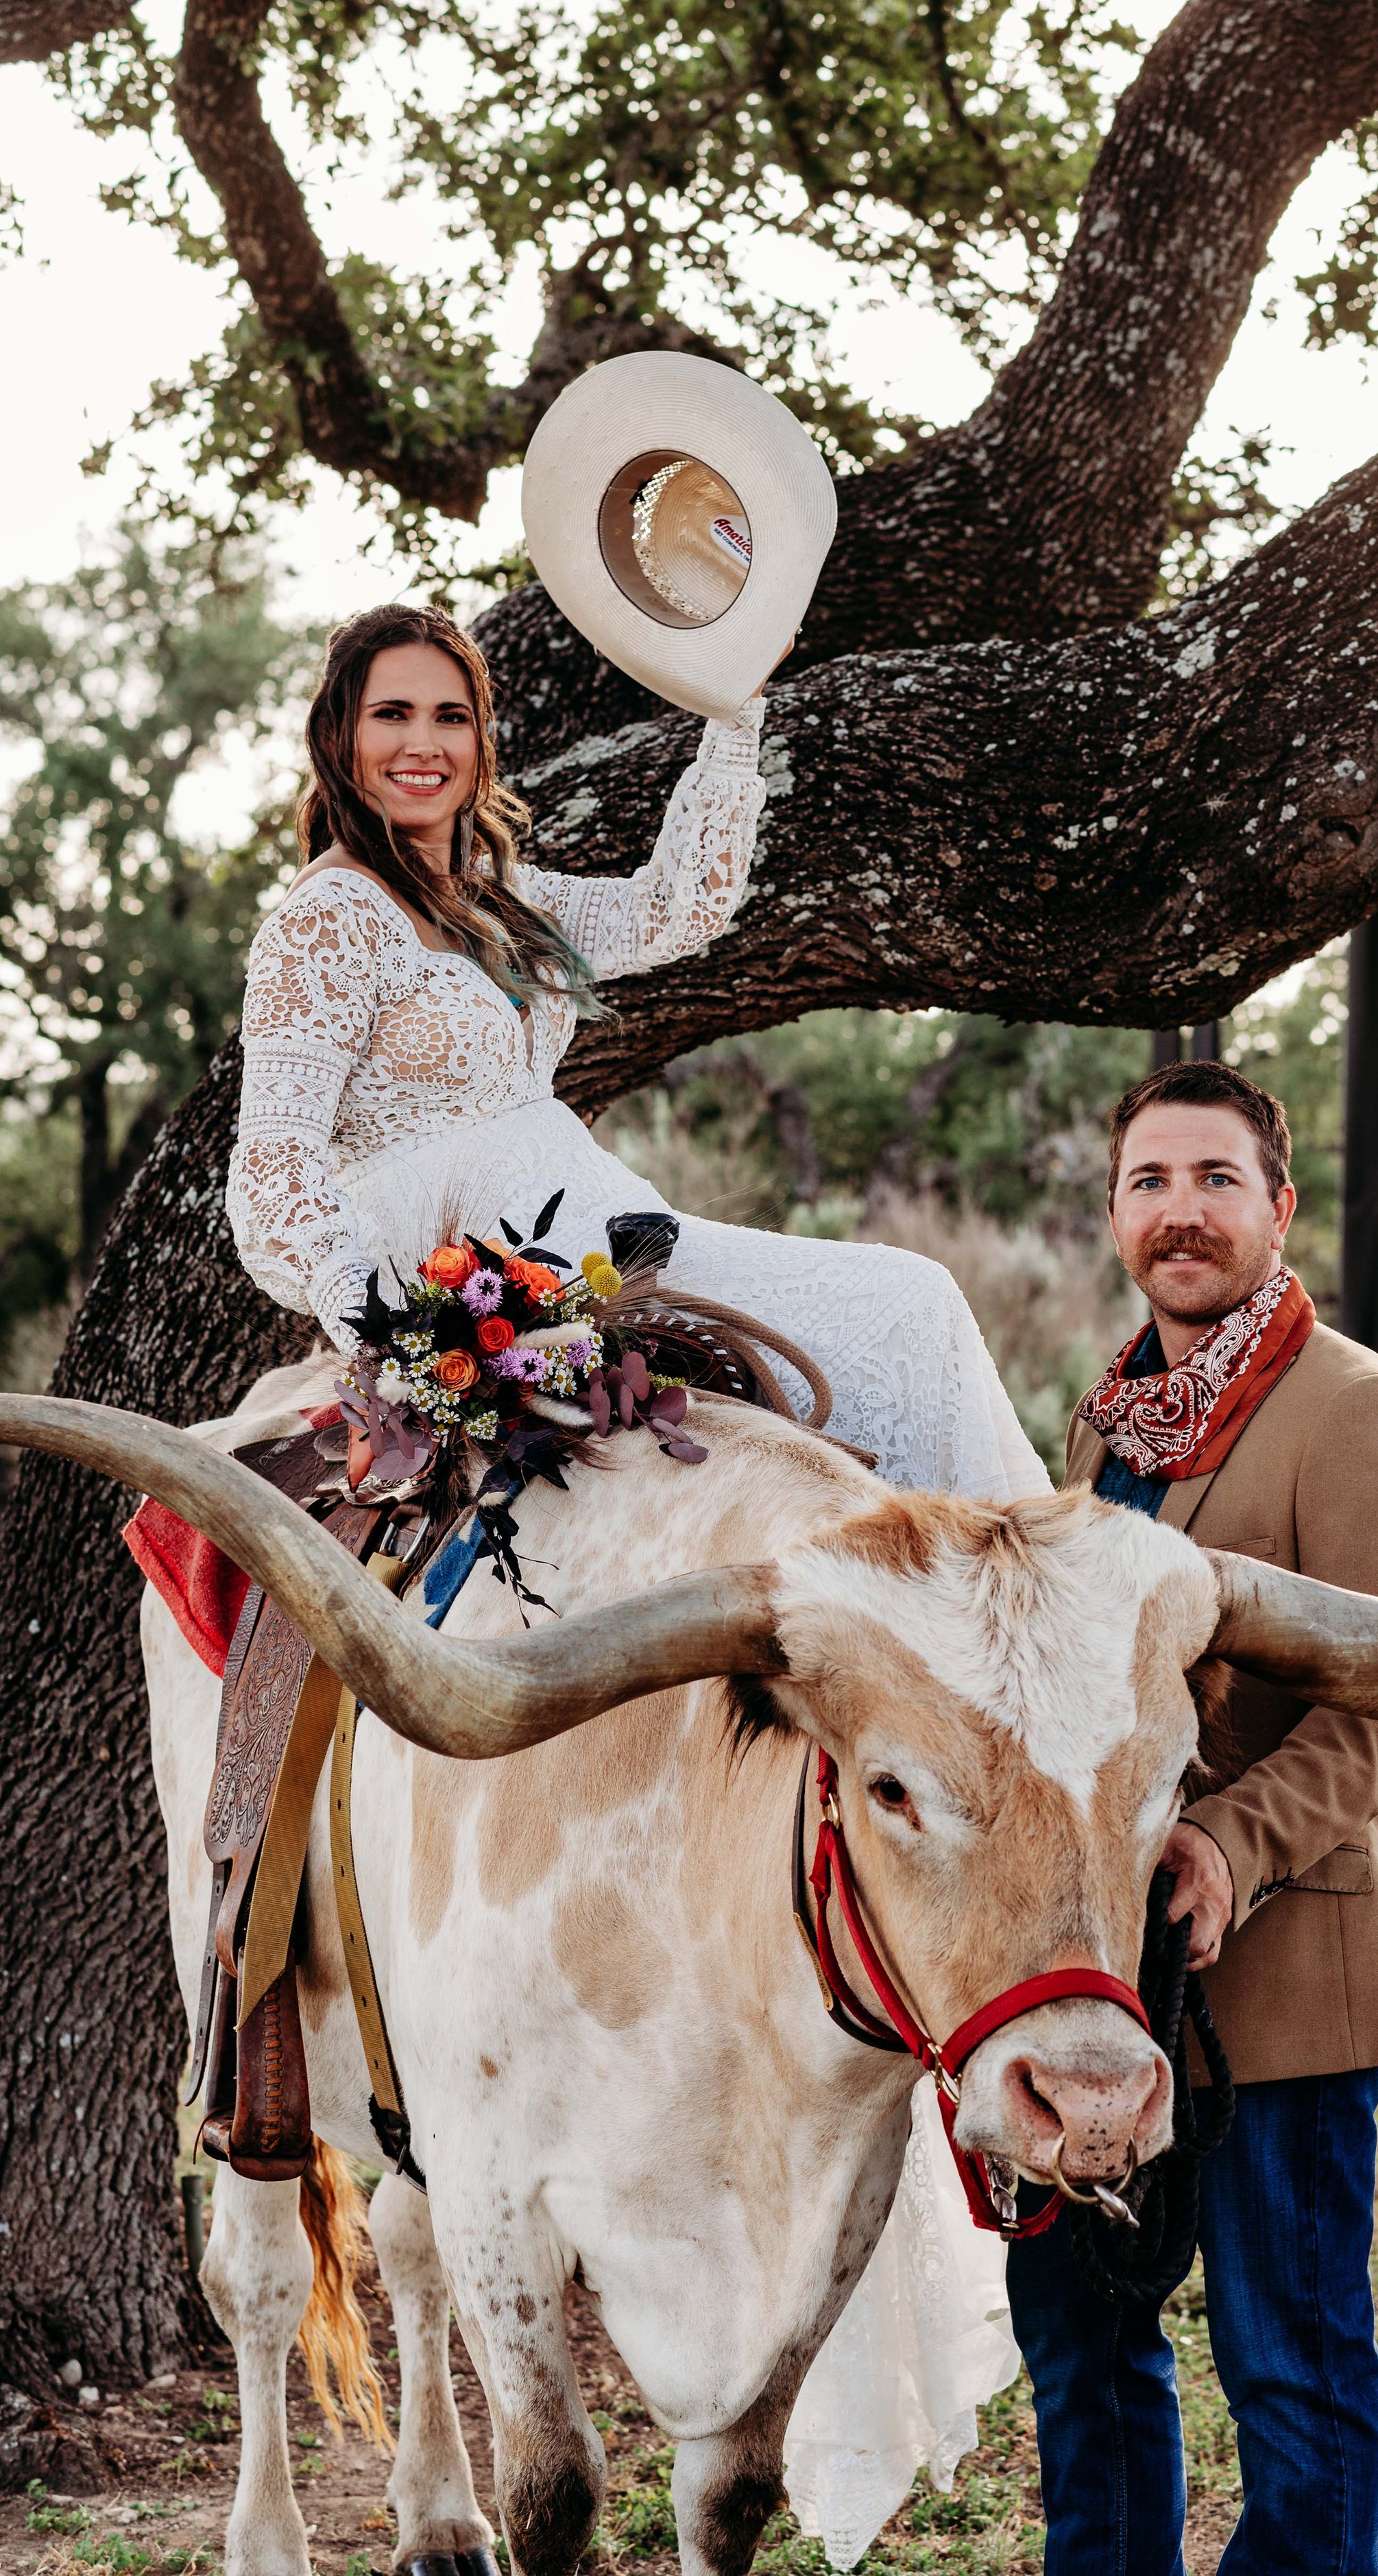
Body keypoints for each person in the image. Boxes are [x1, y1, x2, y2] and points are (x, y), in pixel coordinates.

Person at [221, 599, 1047, 2563]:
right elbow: (274, 1166)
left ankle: (992, 1674)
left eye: (449, 713)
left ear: (477, 735)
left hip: (584, 1225)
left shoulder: (503, 899)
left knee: (908, 1316)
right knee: (898, 1307)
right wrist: (405, 1325)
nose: (421, 742)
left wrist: (735, 700)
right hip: (461, 1271)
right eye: (390, 715)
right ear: (341, 736)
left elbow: (682, 893)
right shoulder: (322, 917)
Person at [1008, 1057, 1378, 2576]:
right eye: (1149, 1181)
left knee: (1288, 2378)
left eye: (1213, 1179)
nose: (1179, 1211)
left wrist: (1232, 1842)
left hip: (1283, 1989)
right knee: (1083, 2356)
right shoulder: (1108, 1429)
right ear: (1112, 1214)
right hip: (1093, 1987)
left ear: (1278, 1206)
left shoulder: (1362, 1417)